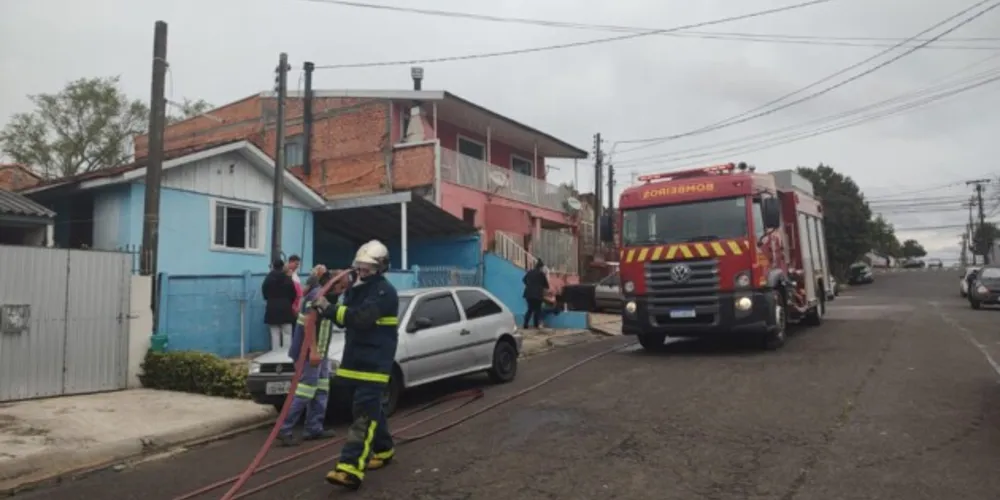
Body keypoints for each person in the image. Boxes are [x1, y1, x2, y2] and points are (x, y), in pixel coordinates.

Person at [313, 240, 399, 491]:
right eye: (360, 265)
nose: (363, 270)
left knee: (363, 414)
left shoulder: (384, 291)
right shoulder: (356, 289)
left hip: (374, 363)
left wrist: (330, 310)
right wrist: (325, 302)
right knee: (370, 410)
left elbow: (361, 319)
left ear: (381, 268)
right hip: (354, 361)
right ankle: (383, 450)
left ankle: (350, 468)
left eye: (369, 266)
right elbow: (343, 318)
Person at [276, 268, 346, 446]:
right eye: (341, 287)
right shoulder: (317, 296)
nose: (342, 291)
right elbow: (309, 323)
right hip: (308, 353)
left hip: (321, 353)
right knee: (305, 391)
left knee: (322, 388)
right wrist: (313, 351)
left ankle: (314, 427)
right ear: (333, 283)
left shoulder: (327, 296)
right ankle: (284, 429)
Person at [262, 258, 297, 350]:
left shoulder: (268, 278)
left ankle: (275, 355)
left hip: (272, 307)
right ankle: (286, 356)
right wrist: (288, 302)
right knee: (287, 333)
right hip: (286, 307)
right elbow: (294, 294)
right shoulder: (288, 279)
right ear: (283, 267)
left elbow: (264, 293)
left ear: (273, 266)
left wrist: (271, 300)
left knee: (274, 333)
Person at [522, 259, 549, 329]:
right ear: (541, 267)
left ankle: (525, 324)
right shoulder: (541, 274)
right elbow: (546, 285)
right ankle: (536, 324)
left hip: (528, 294)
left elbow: (524, 280)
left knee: (530, 309)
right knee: (537, 309)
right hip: (537, 294)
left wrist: (529, 285)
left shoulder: (530, 272)